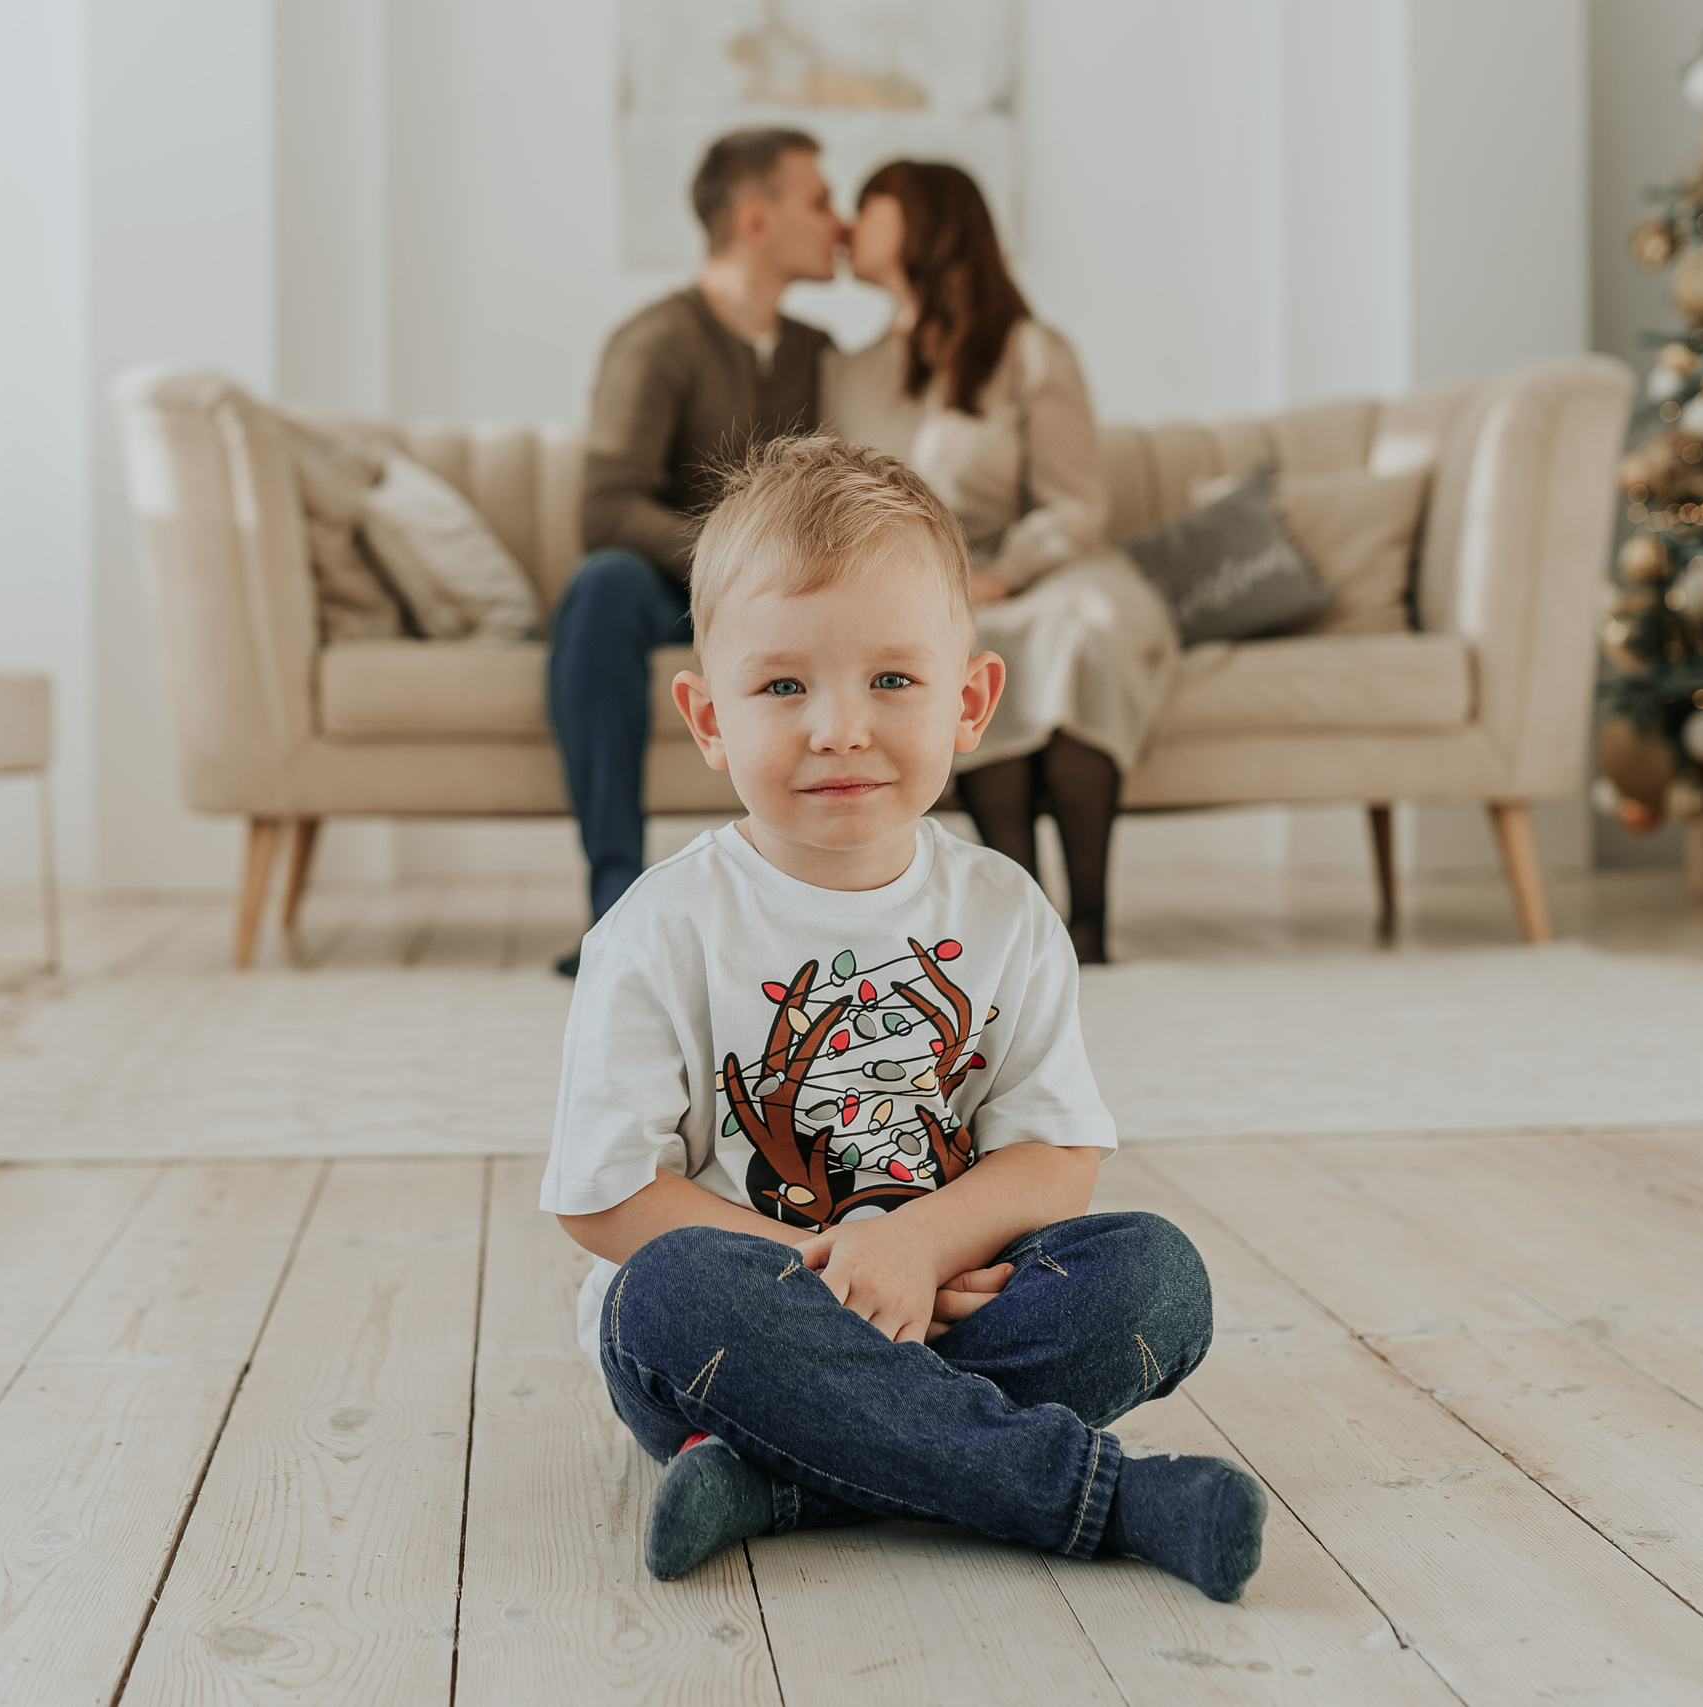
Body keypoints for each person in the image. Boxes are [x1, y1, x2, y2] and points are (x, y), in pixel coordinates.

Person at [539, 436, 1266, 1601]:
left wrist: (920, 1247)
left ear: (969, 699)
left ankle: (784, 1483)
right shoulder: (661, 927)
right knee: (667, 1294)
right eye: (782, 686)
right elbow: (605, 1197)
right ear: (707, 716)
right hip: (749, 1330)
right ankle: (1100, 1497)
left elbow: (1056, 1157)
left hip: (950, 1311)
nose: (839, 727)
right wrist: (834, 1272)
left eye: (892, 679)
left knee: (1155, 1279)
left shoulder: (1002, 909)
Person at [824, 161, 1179, 965]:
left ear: (922, 221)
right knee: (961, 650)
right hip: (923, 584)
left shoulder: (1030, 352)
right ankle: (1023, 924)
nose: (848, 223)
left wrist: (1004, 573)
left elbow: (1075, 504)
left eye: (868, 206)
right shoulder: (846, 372)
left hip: (1038, 570)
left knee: (1067, 634)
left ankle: (1088, 922)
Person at [547, 128, 847, 976]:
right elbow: (604, 507)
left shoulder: (818, 354)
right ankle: (615, 910)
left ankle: (833, 904)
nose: (840, 222)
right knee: (600, 586)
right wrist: (736, 560)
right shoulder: (658, 341)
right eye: (820, 202)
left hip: (786, 590)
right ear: (755, 220)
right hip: (673, 584)